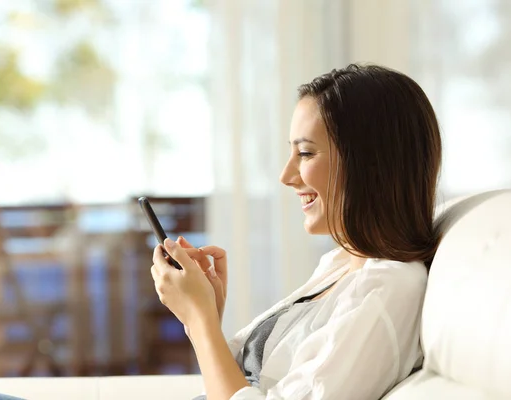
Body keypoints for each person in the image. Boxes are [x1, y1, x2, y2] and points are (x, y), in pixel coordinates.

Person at [151, 64, 442, 400]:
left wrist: (201, 323)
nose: (286, 175)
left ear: (370, 163)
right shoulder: (339, 266)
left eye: (305, 153)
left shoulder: (388, 289)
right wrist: (201, 315)